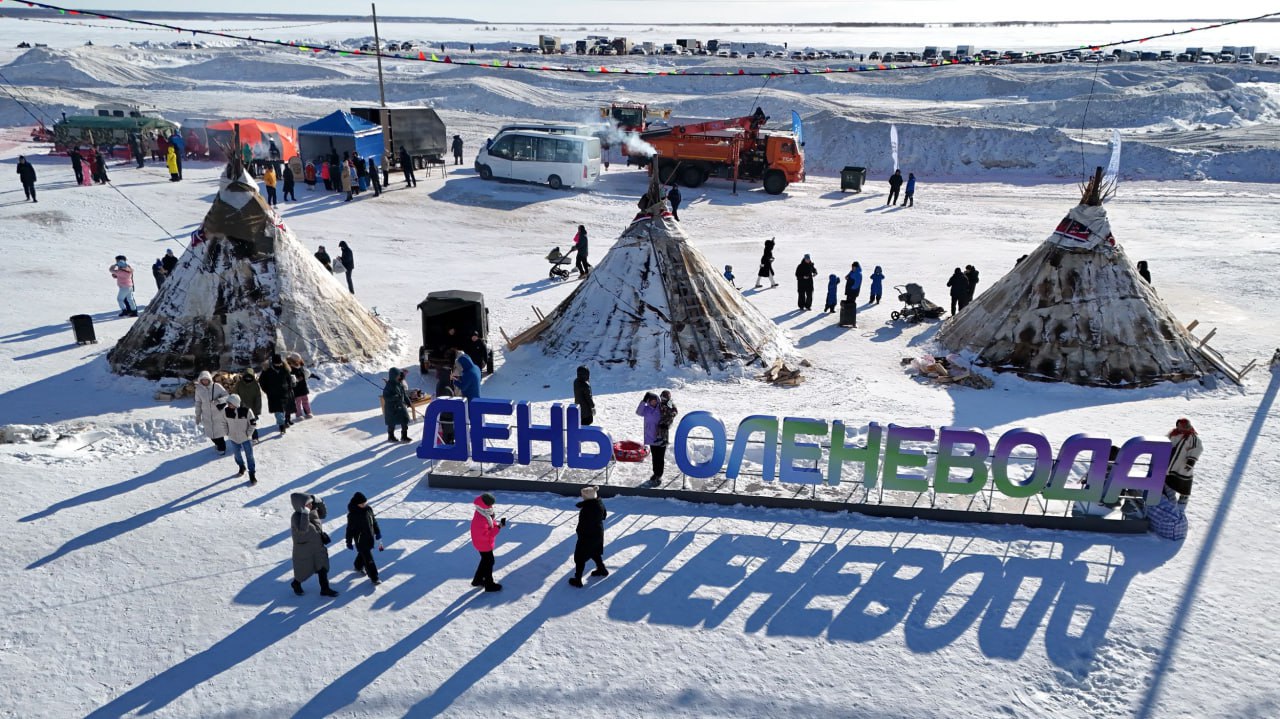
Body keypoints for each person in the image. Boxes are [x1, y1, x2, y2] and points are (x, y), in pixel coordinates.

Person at [289, 493, 338, 597]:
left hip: (317, 545)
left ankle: (325, 589)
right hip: (304, 549)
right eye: (308, 504)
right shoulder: (295, 517)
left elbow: (323, 514)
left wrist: (320, 502)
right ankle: (296, 583)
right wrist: (305, 513)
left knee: (322, 567)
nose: (311, 505)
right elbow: (303, 529)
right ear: (301, 506)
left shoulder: (313, 511)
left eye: (311, 503)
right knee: (302, 570)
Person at [568, 485, 608, 587]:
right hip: (598, 533)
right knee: (594, 552)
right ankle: (601, 569)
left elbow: (583, 525)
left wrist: (580, 533)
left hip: (588, 536)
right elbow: (604, 516)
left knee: (580, 557)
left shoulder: (587, 509)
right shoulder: (599, 503)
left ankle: (577, 580)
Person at [470, 493, 507, 592]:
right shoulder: (481, 518)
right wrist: (498, 527)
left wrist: (496, 524)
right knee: (489, 562)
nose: (491, 506)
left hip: (481, 542)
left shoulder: (482, 511)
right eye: (490, 504)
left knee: (486, 561)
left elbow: (489, 522)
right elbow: (488, 534)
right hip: (483, 543)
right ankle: (489, 585)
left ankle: (477, 580)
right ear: (485, 504)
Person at [345, 491, 383, 586]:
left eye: (365, 502)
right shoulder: (353, 515)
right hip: (360, 540)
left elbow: (373, 521)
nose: (364, 504)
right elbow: (349, 529)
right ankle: (374, 577)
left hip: (369, 536)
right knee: (368, 558)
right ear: (357, 504)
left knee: (364, 554)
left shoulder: (368, 509)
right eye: (362, 504)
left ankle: (358, 566)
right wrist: (348, 542)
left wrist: (377, 532)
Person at [1164, 418, 1202, 505]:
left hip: (1183, 464)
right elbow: (1164, 441)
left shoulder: (1192, 437)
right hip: (1171, 461)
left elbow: (1197, 449)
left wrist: (1191, 461)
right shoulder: (1172, 433)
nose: (1184, 428)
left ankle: (1184, 497)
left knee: (1183, 481)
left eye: (1186, 426)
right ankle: (1170, 495)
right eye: (1181, 426)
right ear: (1177, 426)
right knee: (1170, 479)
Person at [222, 394, 258, 484]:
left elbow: (253, 423)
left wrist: (248, 434)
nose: (228, 405)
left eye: (230, 403)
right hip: (233, 438)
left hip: (245, 439)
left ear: (236, 403)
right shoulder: (226, 411)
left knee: (249, 456)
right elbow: (223, 422)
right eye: (228, 403)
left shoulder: (246, 411)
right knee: (237, 455)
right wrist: (227, 432)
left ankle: (252, 474)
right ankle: (241, 466)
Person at [193, 370, 229, 455]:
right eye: (203, 379)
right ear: (200, 380)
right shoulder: (198, 389)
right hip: (207, 416)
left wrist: (218, 401)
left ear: (209, 379)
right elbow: (198, 402)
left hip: (218, 414)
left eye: (206, 379)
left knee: (219, 434)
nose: (205, 381)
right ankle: (217, 444)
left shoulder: (217, 386)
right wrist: (198, 415)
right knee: (211, 435)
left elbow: (227, 396)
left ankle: (222, 449)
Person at [260, 354, 296, 434]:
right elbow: (262, 381)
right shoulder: (267, 371)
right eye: (276, 363)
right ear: (273, 363)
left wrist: (289, 388)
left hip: (285, 392)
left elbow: (289, 379)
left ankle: (286, 420)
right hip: (273, 394)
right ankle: (282, 426)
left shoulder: (285, 369)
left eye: (279, 363)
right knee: (278, 411)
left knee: (286, 408)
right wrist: (267, 390)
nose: (278, 364)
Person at [636, 392, 661, 486]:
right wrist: (643, 401)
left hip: (661, 436)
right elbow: (638, 412)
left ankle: (659, 474)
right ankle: (656, 473)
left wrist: (668, 399)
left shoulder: (661, 408)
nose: (653, 403)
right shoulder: (646, 409)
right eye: (651, 401)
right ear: (649, 401)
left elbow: (671, 410)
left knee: (660, 457)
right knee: (655, 457)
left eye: (655, 401)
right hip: (651, 436)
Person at [382, 367, 411, 443]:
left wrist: (408, 402)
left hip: (401, 406)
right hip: (392, 408)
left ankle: (404, 436)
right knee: (392, 423)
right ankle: (391, 436)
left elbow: (404, 394)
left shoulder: (399, 384)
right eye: (397, 375)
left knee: (404, 420)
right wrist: (394, 397)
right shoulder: (388, 386)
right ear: (393, 375)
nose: (399, 376)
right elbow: (386, 397)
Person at [237, 367, 263, 442]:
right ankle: (244, 438)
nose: (248, 378)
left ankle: (255, 438)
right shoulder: (239, 384)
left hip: (252, 408)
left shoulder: (255, 385)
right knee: (243, 424)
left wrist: (258, 409)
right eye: (246, 377)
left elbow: (258, 398)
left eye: (250, 377)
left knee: (252, 423)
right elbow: (235, 394)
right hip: (241, 407)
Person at [288, 353, 314, 419]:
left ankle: (308, 412)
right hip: (296, 388)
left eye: (299, 360)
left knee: (305, 400)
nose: (299, 361)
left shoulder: (300, 366)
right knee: (298, 402)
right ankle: (299, 415)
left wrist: (307, 375)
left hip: (303, 386)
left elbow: (303, 373)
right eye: (297, 360)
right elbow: (290, 377)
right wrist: (296, 379)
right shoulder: (290, 367)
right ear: (293, 360)